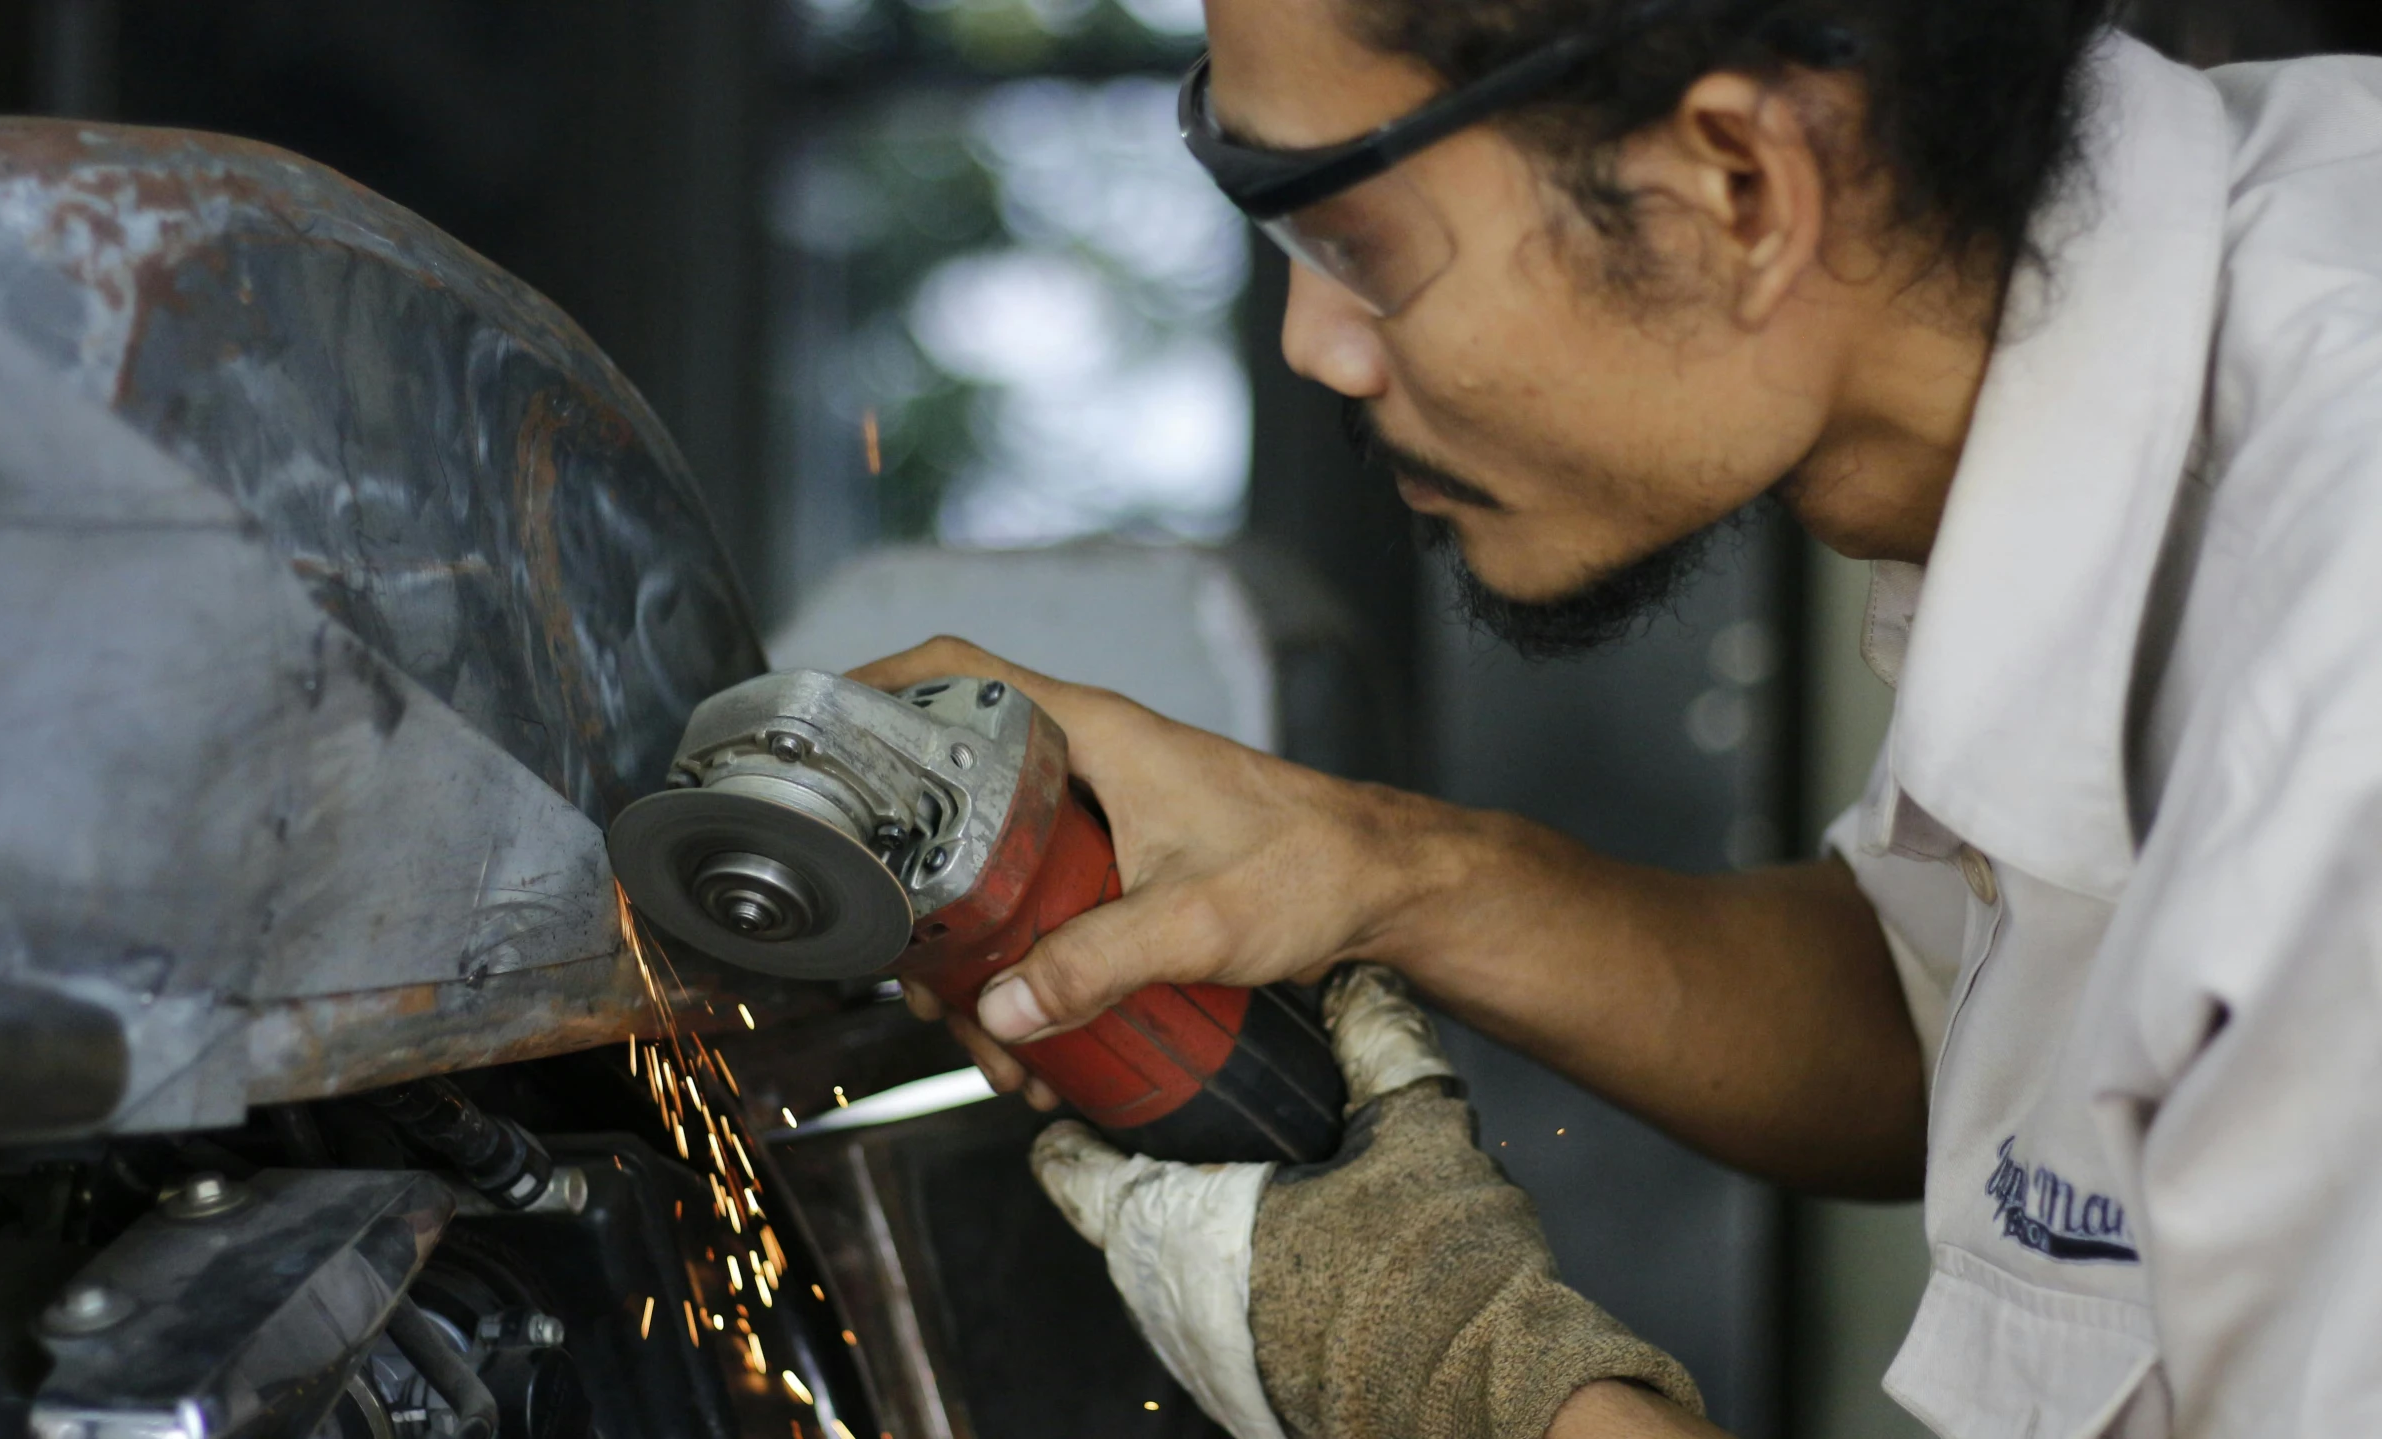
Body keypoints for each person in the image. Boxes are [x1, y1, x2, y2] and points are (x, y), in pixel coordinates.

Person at [855, 0, 2382, 1433]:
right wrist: (1383, 868)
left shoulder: (2338, 682)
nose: (1314, 342)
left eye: (1356, 235)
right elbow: (1951, 1013)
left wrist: (1466, 1368)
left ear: (1736, 187)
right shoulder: (2149, 329)